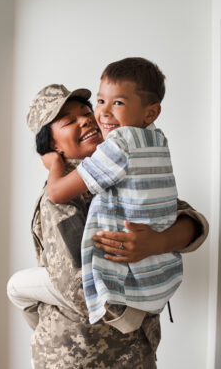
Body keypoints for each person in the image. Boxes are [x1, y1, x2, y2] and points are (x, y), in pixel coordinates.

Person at [8, 83, 208, 368]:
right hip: (84, 356)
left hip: (136, 351)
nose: (86, 119)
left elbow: (192, 221)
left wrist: (159, 242)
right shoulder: (62, 199)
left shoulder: (126, 167)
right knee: (17, 287)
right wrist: (144, 299)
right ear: (52, 145)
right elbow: (78, 288)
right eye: (68, 121)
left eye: (86, 111)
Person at [40, 58, 181, 328]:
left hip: (123, 298)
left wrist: (54, 165)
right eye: (101, 102)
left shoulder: (119, 146)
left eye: (117, 103)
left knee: (17, 287)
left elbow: (57, 193)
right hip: (157, 282)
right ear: (50, 142)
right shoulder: (156, 139)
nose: (98, 115)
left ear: (150, 113)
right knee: (18, 288)